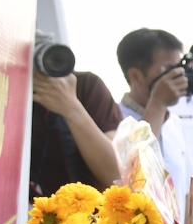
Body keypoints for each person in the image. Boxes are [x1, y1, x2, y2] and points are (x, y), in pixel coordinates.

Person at [116, 28, 193, 211]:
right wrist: (158, 103)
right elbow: (133, 175)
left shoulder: (175, 124)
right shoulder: (114, 122)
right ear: (135, 76)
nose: (179, 77)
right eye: (168, 71)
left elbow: (189, 192)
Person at [29, 65, 123, 199]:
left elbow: (117, 177)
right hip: (31, 212)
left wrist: (71, 107)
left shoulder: (85, 86)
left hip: (91, 213)